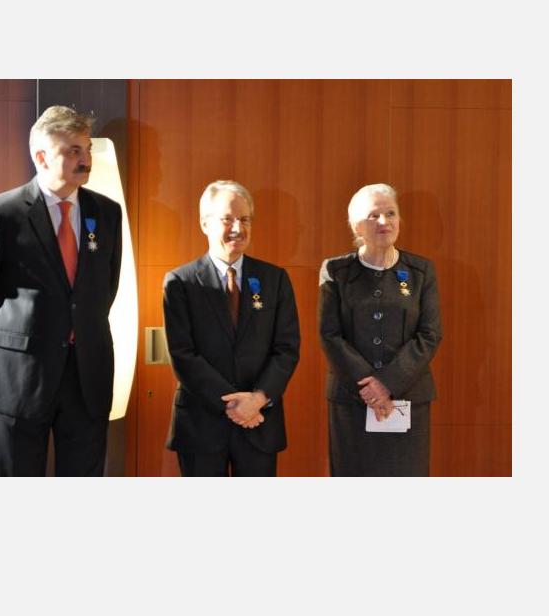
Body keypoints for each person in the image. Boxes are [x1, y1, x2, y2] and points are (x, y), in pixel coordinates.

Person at [0, 105, 122, 476]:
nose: (85, 159)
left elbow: (104, 291)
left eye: (87, 149)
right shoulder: (2, 213)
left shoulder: (107, 213)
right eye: (73, 151)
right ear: (42, 157)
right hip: (18, 377)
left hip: (86, 377)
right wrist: (12, 345)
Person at [162, 180, 300, 476]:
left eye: (245, 219)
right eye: (228, 219)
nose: (238, 228)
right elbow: (182, 354)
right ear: (205, 223)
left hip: (259, 422)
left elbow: (287, 349)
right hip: (201, 424)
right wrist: (234, 404)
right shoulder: (180, 282)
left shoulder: (274, 279)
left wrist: (257, 400)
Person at [318, 183, 442, 476]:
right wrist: (369, 387)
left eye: (391, 213)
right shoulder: (335, 271)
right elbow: (330, 334)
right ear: (356, 226)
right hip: (352, 400)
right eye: (373, 216)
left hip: (408, 398)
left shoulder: (421, 271)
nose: (384, 221)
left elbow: (430, 333)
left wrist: (387, 383)